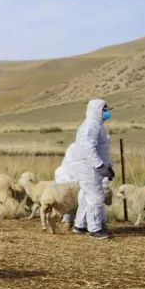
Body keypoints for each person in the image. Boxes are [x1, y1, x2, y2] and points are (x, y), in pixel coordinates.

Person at [54, 98, 114, 239]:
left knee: (86, 195)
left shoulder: (98, 126)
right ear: (96, 110)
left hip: (94, 166)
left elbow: (103, 150)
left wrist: (108, 166)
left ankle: (80, 225)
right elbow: (88, 148)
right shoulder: (90, 126)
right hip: (88, 167)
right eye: (104, 109)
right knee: (96, 197)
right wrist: (99, 165)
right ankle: (95, 229)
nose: (107, 111)